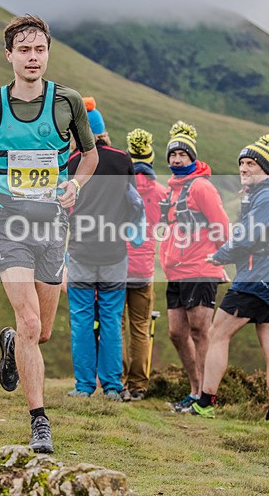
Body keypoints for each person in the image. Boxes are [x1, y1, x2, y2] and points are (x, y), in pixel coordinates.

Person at [0, 15, 98, 453]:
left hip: (53, 227)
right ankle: (39, 422)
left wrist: (74, 184)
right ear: (10, 54)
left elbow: (88, 158)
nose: (33, 57)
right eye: (24, 50)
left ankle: (12, 343)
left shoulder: (67, 103)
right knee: (31, 321)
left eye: (40, 50)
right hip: (9, 226)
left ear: (47, 53)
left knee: (40, 332)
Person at [189, 134, 269, 421]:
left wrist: (220, 256)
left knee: (217, 334)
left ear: (266, 168)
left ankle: (205, 402)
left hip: (256, 279)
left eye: (251, 164)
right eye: (242, 163)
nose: (244, 168)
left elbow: (247, 236)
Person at [66, 97, 135, 401]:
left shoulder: (71, 163)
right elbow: (133, 203)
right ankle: (112, 386)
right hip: (115, 253)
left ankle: (83, 387)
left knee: (81, 319)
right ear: (103, 131)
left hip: (81, 252)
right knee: (110, 318)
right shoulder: (122, 159)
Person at [158, 121, 229, 412]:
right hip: (176, 270)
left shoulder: (201, 187)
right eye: (172, 155)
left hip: (201, 268)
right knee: (176, 332)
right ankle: (194, 388)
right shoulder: (172, 190)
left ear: (193, 158)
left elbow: (222, 226)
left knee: (201, 331)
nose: (176, 160)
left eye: (182, 155)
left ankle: (205, 397)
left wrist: (219, 256)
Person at [120, 128, 167, 401]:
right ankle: (138, 385)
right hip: (143, 269)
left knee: (116, 325)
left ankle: (117, 382)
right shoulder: (160, 192)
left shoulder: (119, 187)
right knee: (140, 328)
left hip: (116, 264)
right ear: (150, 161)